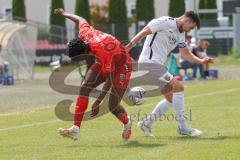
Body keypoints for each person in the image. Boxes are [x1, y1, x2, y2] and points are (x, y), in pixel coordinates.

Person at [126, 11, 213, 137]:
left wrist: (201, 60)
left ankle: (146, 124)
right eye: (191, 27)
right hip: (149, 64)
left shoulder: (181, 34)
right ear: (187, 21)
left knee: (171, 100)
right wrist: (129, 46)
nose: (190, 30)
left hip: (157, 66)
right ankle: (183, 127)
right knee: (179, 87)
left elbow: (185, 54)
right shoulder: (165, 21)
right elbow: (145, 31)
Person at [55, 8, 132, 141]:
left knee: (112, 105)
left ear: (83, 52)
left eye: (77, 58)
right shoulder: (85, 34)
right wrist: (64, 14)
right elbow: (80, 19)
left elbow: (109, 80)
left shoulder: (103, 52)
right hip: (103, 60)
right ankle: (75, 129)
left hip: (121, 66)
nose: (77, 61)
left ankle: (127, 123)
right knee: (84, 87)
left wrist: (97, 102)